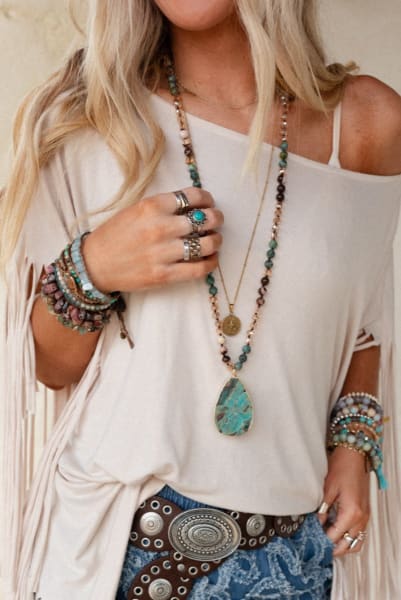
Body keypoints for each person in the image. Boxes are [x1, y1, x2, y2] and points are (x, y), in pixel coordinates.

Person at [1, 1, 401, 598]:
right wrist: (95, 266)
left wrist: (353, 442)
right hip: (108, 552)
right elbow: (51, 367)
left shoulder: (368, 123)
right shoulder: (87, 118)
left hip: (289, 559)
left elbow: (363, 315)